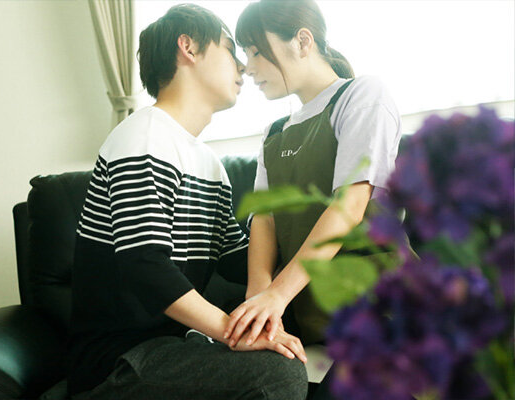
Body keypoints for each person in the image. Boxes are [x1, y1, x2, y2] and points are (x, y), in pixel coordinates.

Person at [66, 4, 309, 400]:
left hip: (173, 347)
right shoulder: (144, 137)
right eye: (230, 49)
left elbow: (238, 259)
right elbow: (145, 265)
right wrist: (236, 334)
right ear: (188, 47)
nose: (243, 66)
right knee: (276, 374)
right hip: (117, 363)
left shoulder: (209, 164)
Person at [223, 0, 402, 396]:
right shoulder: (274, 134)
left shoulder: (362, 95)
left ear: (302, 41)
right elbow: (265, 221)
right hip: (312, 319)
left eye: (256, 51)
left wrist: (277, 295)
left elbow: (349, 206)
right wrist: (259, 301)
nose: (248, 67)